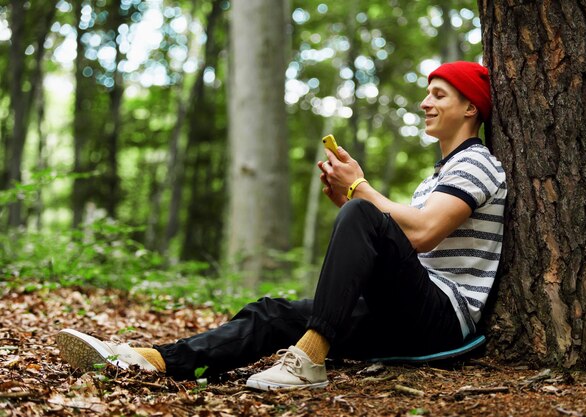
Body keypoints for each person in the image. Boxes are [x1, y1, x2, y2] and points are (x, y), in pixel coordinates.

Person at [56, 61, 506, 391]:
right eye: (428, 93)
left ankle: (310, 359)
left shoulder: (478, 164)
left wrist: (361, 194)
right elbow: (403, 238)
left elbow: (425, 232)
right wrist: (351, 199)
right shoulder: (437, 176)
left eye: (440, 95)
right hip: (404, 311)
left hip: (443, 318)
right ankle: (148, 360)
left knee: (361, 212)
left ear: (470, 108)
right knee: (272, 313)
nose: (426, 102)